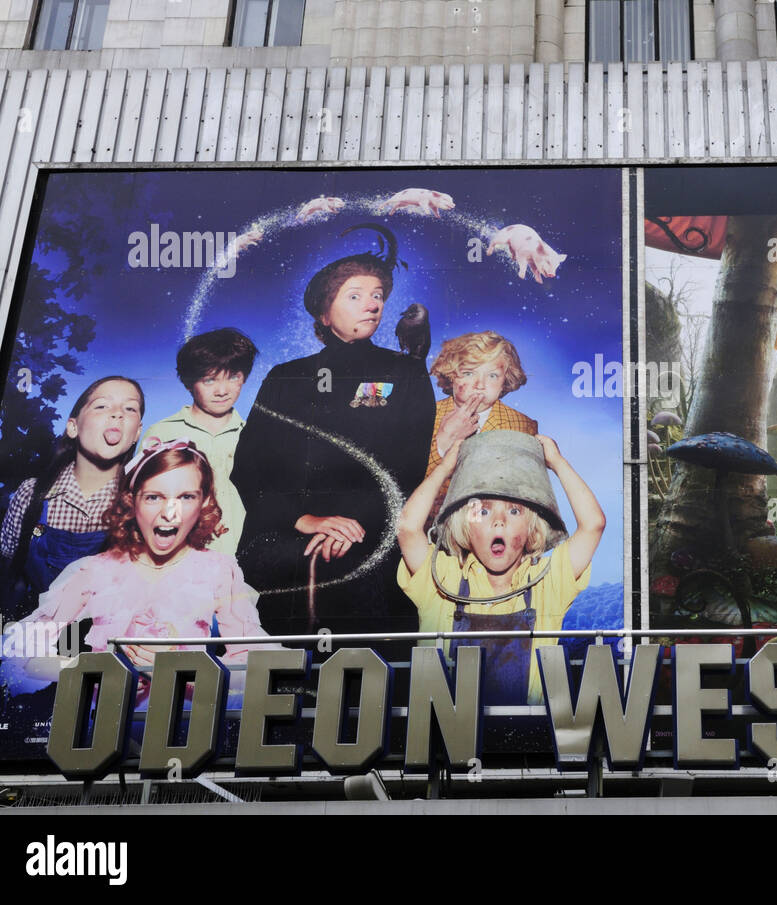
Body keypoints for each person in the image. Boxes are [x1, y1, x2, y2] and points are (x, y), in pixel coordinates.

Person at [231, 224, 434, 647]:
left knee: (381, 678)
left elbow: (411, 465)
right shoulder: (286, 378)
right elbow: (250, 469)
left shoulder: (407, 373)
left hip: (377, 543)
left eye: (378, 295)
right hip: (292, 549)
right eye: (356, 296)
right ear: (324, 313)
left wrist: (354, 528)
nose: (373, 305)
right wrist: (305, 520)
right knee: (291, 676)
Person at [0, 439, 275, 701]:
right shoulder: (95, 570)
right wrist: (92, 671)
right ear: (132, 502)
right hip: (102, 731)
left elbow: (252, 668)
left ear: (203, 503)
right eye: (154, 497)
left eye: (186, 496)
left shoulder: (219, 571)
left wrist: (183, 676)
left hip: (189, 730)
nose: (170, 513)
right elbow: (18, 654)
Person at [396, 430, 606, 705]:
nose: (498, 522)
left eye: (514, 511)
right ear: (464, 528)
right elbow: (408, 528)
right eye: (482, 511)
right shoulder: (441, 580)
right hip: (445, 738)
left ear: (532, 530)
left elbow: (593, 525)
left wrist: (557, 462)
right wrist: (446, 467)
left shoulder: (547, 581)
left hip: (527, 736)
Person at [0, 376, 145, 618]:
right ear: (73, 426)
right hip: (35, 641)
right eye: (102, 405)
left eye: (130, 408)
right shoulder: (31, 495)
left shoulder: (142, 505)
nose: (117, 414)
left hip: (102, 648)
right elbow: (10, 571)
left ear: (136, 433)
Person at [144, 328, 259, 555]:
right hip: (182, 558)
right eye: (209, 380)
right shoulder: (162, 432)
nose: (222, 390)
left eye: (233, 376)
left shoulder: (256, 434)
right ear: (189, 383)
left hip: (246, 558)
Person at [425, 330, 538, 522]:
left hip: (489, 530)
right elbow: (408, 485)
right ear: (451, 376)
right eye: (469, 373)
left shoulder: (522, 425)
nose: (480, 384)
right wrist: (443, 443)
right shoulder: (425, 416)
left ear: (505, 380)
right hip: (428, 528)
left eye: (492, 375)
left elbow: (524, 494)